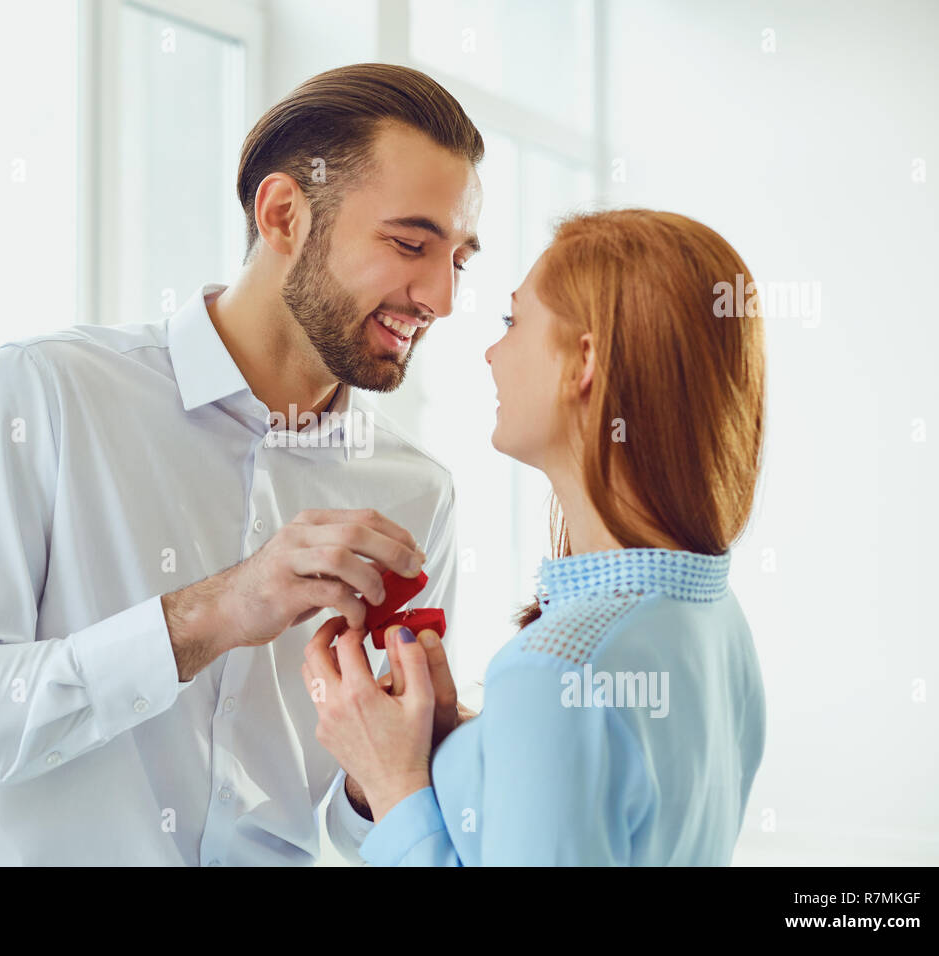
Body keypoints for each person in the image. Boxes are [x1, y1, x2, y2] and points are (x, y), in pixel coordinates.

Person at [0, 63, 484, 865]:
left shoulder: (417, 492)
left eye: (460, 260)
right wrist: (209, 615)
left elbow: (350, 821)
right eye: (409, 243)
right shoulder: (51, 394)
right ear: (286, 213)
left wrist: (387, 774)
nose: (441, 296)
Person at [304, 208, 768, 865]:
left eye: (513, 321)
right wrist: (462, 744)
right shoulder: (715, 618)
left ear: (584, 361)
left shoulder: (555, 669)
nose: (493, 352)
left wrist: (390, 781)